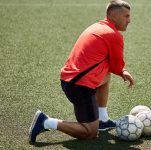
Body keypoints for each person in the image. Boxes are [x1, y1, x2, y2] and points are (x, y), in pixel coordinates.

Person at [29, 0, 133, 142]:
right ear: (113, 15)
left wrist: (122, 71)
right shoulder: (113, 35)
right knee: (90, 132)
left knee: (106, 75)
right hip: (79, 86)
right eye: (126, 16)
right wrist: (122, 71)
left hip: (70, 80)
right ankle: (46, 121)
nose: (129, 20)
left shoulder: (97, 26)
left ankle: (102, 119)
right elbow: (116, 66)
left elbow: (111, 66)